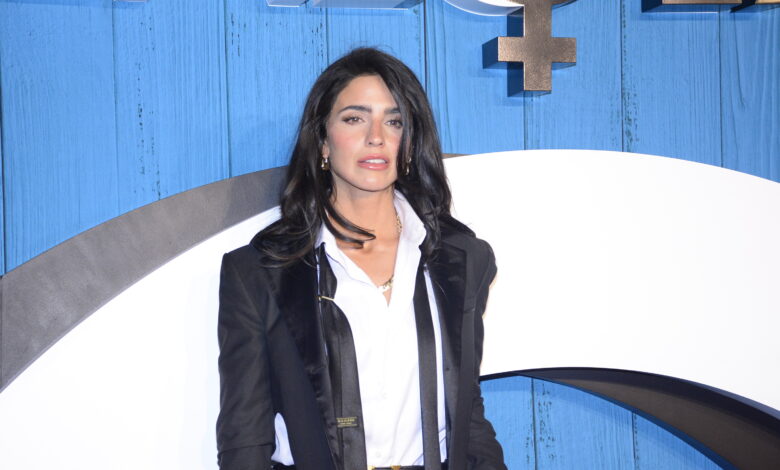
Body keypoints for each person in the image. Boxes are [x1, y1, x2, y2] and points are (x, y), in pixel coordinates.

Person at [216, 47, 506, 470]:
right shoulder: (260, 273)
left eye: (394, 121)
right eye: (355, 118)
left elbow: (467, 416)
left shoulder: (463, 259)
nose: (376, 136)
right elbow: (245, 439)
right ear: (322, 141)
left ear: (410, 143)